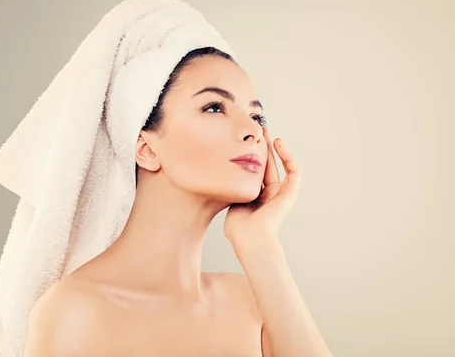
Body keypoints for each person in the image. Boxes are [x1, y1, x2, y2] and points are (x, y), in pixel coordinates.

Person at [21, 46, 332, 356]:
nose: (253, 130)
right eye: (214, 107)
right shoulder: (74, 313)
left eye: (256, 115)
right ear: (146, 148)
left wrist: (259, 243)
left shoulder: (253, 302)